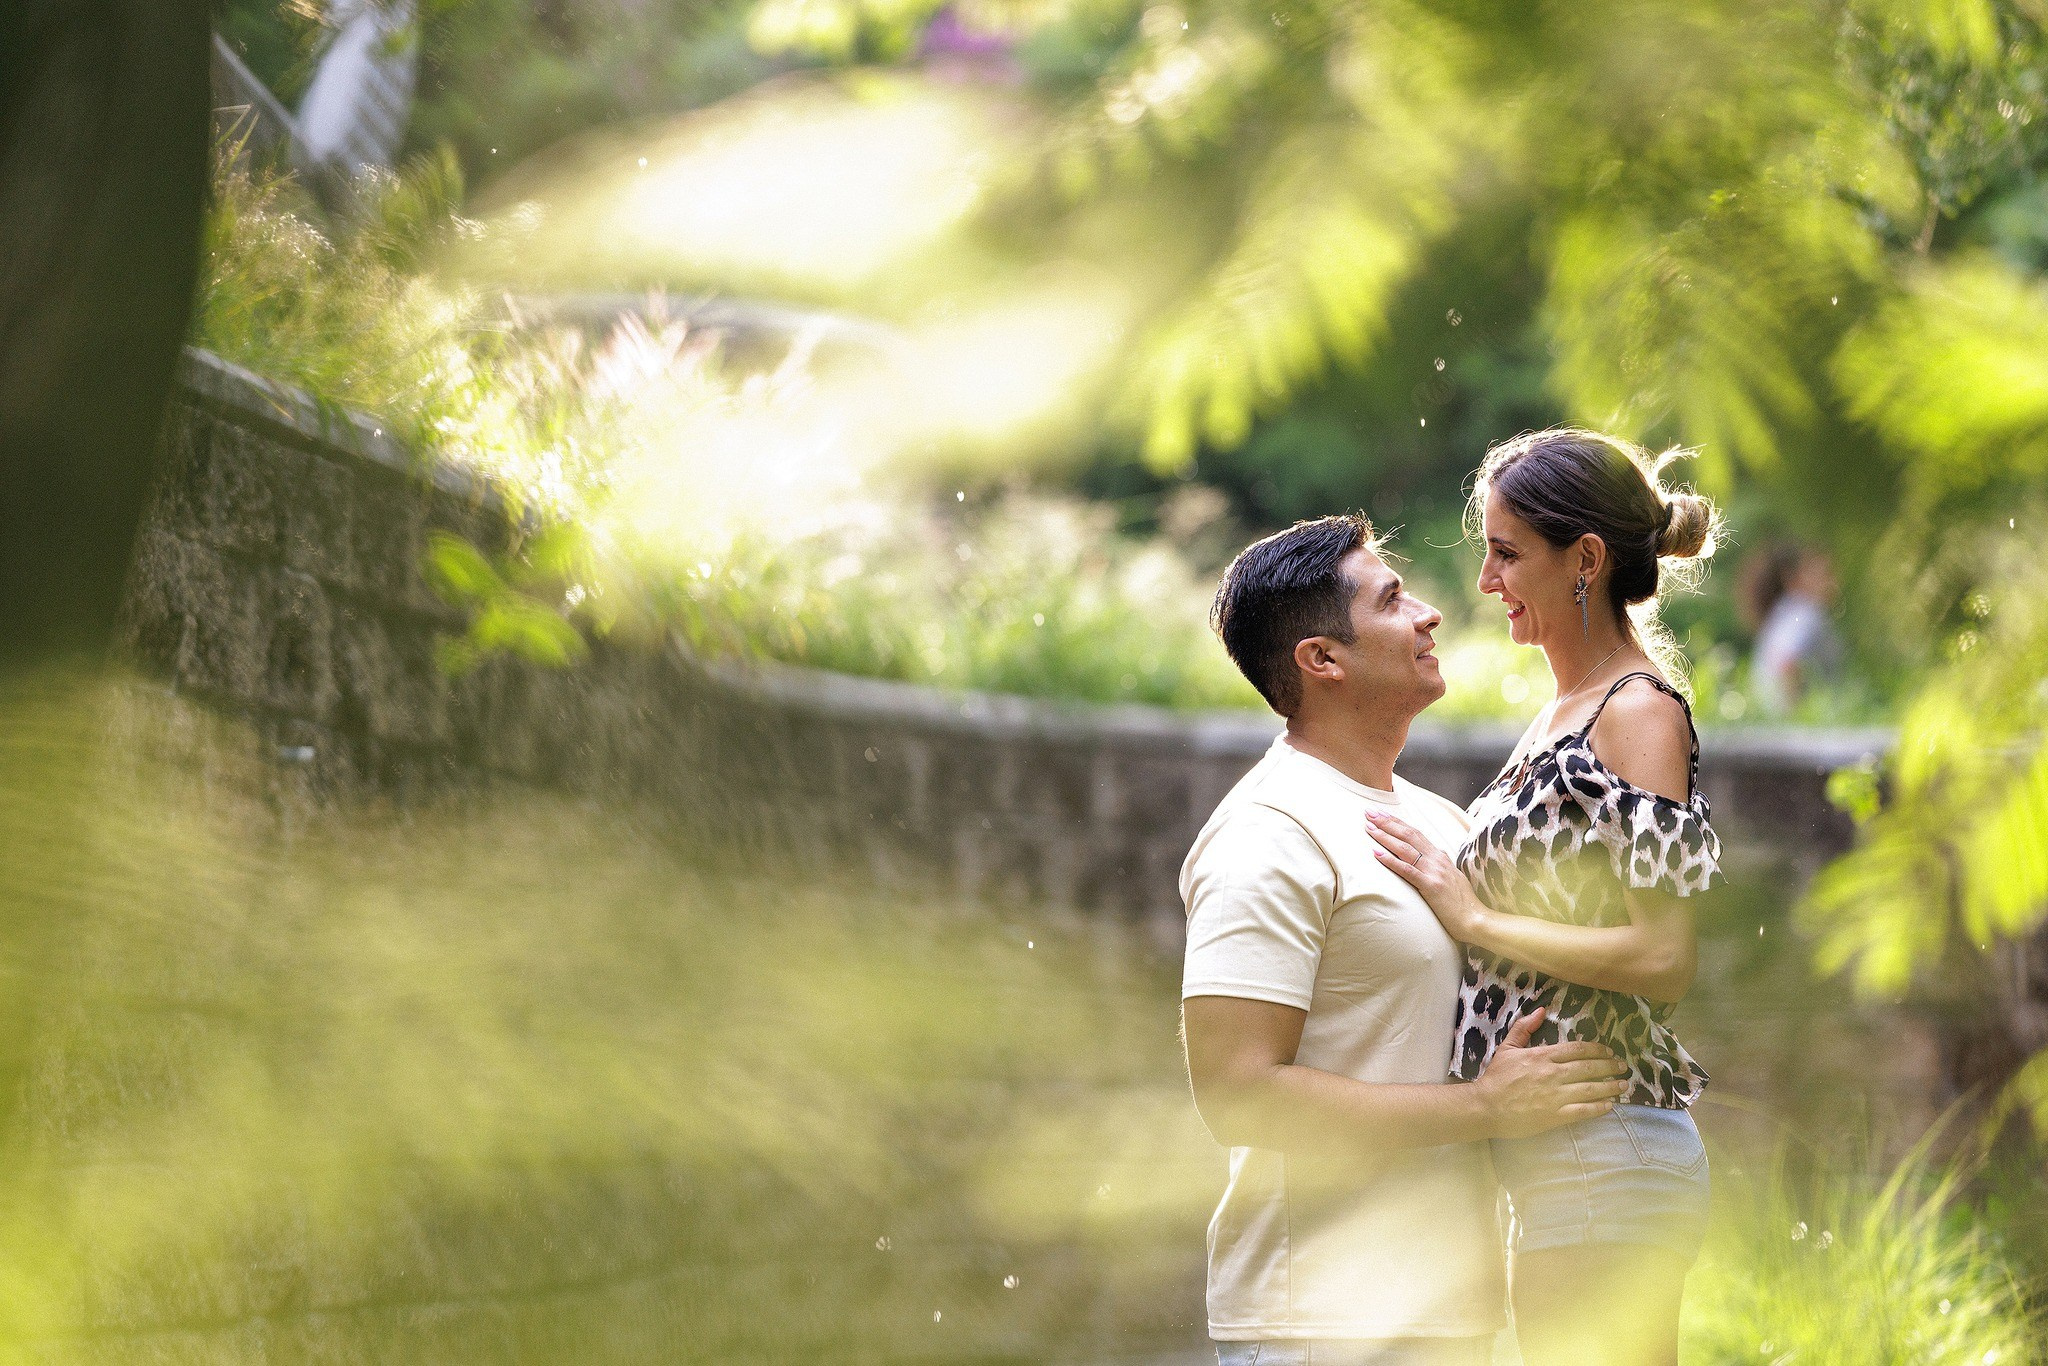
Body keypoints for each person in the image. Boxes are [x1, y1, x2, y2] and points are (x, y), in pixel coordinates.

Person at [1180, 513, 1631, 1366]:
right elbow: (1237, 1092)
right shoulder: (1268, 832)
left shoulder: (1438, 823)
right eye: (1391, 600)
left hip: (1452, 1312)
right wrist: (1483, 1110)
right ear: (1323, 660)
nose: (1428, 613)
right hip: (1320, 1320)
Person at [1364, 428, 1724, 1366]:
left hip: (1606, 1151)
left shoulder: (1636, 711)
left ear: (1587, 561)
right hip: (1566, 1160)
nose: (1485, 581)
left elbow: (1663, 957)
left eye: (1507, 553)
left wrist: (1475, 918)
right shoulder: (1561, 712)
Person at [1744, 544, 1843, 714]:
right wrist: (1797, 714)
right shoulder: (1806, 613)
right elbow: (1786, 662)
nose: (1832, 582)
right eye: (1822, 573)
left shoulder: (1784, 612)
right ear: (1793, 578)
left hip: (1766, 716)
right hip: (1792, 726)